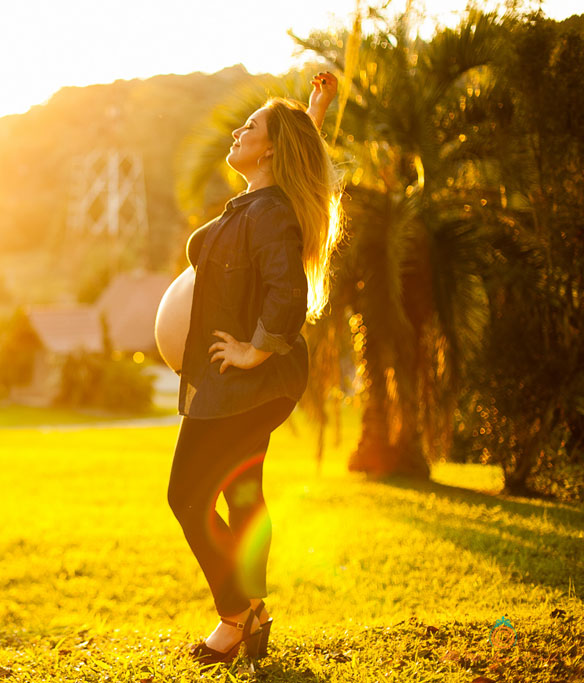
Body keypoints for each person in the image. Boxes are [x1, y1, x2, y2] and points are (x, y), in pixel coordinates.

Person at [162, 71, 346, 666]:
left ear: (268, 150)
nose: (238, 131)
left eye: (252, 127)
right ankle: (253, 612)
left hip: (250, 382)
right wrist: (310, 117)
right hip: (235, 385)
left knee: (187, 497)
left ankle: (235, 615)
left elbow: (288, 296)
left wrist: (254, 349)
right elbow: (292, 170)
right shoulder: (265, 202)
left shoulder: (269, 214)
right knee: (243, 494)